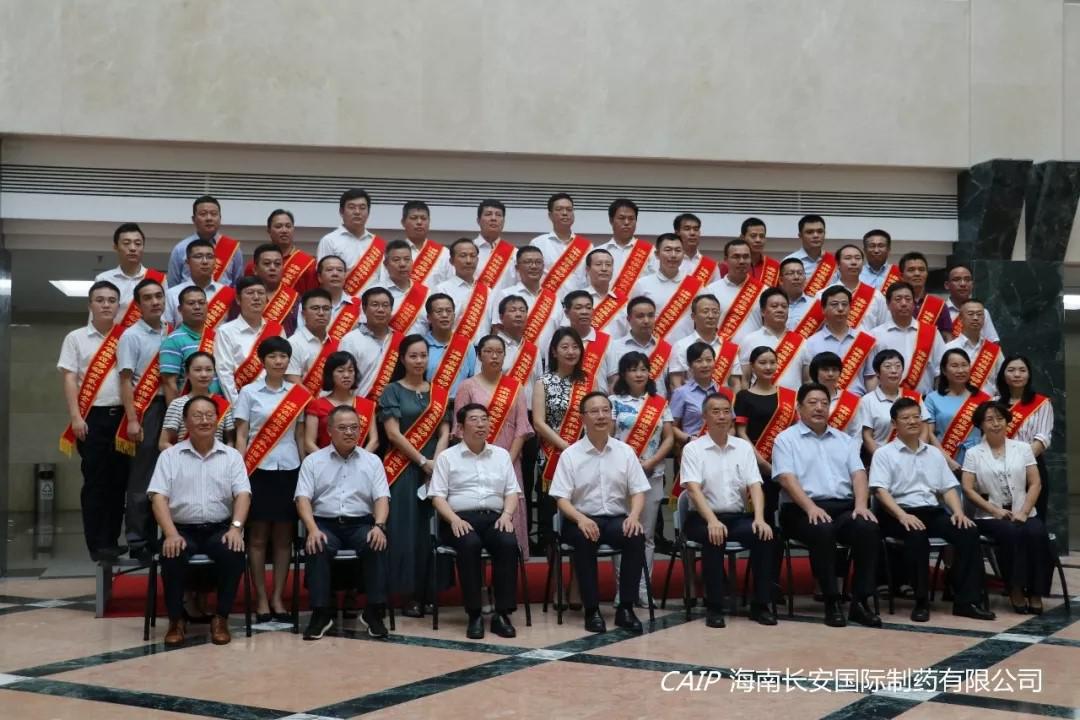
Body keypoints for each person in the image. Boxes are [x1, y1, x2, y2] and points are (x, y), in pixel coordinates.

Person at [869, 397, 995, 621]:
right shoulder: (884, 454)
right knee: (917, 535)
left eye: (916, 417)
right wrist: (902, 515)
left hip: (931, 510)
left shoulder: (934, 453)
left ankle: (966, 601)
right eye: (906, 418)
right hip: (896, 513)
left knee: (968, 531)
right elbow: (880, 491)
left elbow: (948, 488)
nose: (912, 422)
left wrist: (958, 512)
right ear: (894, 424)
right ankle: (921, 601)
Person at [773, 382, 881, 628]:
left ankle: (860, 602)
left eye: (824, 403)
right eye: (812, 403)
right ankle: (832, 601)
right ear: (799, 408)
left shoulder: (844, 440)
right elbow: (786, 479)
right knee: (822, 529)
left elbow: (859, 474)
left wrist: (861, 505)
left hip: (842, 507)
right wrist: (810, 507)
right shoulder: (786, 440)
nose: (819, 408)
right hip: (800, 510)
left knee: (867, 528)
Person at [148, 395, 249, 646]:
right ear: (185, 422)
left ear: (217, 419)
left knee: (233, 551)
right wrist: (170, 533)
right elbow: (158, 497)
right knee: (172, 554)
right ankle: (176, 620)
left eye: (209, 415)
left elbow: (243, 494)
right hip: (181, 529)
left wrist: (236, 528)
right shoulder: (170, 456)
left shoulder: (231, 456)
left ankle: (221, 618)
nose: (204, 420)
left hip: (219, 528)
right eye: (197, 415)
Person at [549, 392, 650, 633]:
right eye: (594, 411)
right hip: (580, 519)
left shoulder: (625, 452)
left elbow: (638, 491)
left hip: (616, 518)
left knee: (635, 536)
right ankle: (592, 610)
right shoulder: (570, 455)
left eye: (606, 410)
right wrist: (580, 519)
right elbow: (561, 498)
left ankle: (625, 608)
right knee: (585, 539)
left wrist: (634, 516)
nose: (601, 416)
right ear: (583, 418)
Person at [682, 391, 778, 627]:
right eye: (715, 411)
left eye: (726, 411)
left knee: (765, 535)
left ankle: (761, 604)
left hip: (736, 517)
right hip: (701, 518)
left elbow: (755, 485)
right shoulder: (693, 449)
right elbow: (692, 489)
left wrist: (759, 518)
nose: (722, 416)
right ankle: (714, 606)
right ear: (705, 417)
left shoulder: (743, 448)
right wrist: (712, 521)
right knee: (713, 536)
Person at [295, 404, 391, 640]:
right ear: (329, 430)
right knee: (317, 545)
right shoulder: (313, 461)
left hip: (360, 524)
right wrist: (312, 529)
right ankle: (321, 613)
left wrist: (379, 526)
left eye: (354, 427)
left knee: (375, 542)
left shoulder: (372, 461)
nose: (349, 432)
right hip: (325, 524)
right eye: (343, 428)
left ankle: (374, 611)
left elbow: (381, 498)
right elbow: (302, 499)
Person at [234, 337, 309, 622]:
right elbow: (242, 435)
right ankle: (261, 599)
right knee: (257, 537)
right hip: (258, 469)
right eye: (273, 356)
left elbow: (300, 436)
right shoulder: (249, 392)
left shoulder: (298, 394)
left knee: (283, 538)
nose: (279, 361)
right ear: (262, 361)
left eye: (283, 356)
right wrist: (240, 471)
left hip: (289, 469)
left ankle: (278, 597)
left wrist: (305, 472)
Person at [431, 403, 522, 639]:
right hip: (459, 518)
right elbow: (437, 497)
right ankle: (474, 614)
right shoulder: (447, 457)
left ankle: (502, 614)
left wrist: (507, 515)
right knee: (469, 544)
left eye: (484, 419)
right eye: (474, 419)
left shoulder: (501, 455)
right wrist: (453, 519)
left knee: (508, 543)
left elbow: (512, 492)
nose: (481, 424)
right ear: (461, 428)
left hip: (494, 517)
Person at [378, 334, 452, 617]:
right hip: (403, 467)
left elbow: (444, 430)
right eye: (413, 356)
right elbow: (393, 434)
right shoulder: (392, 391)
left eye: (423, 355)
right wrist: (422, 461)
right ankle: (407, 593)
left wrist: (436, 463)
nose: (419, 361)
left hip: (435, 468)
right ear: (402, 359)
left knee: (431, 529)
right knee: (406, 530)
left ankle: (431, 591)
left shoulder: (438, 392)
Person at [58, 281, 130, 561]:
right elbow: (69, 378)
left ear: (118, 305)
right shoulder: (75, 338)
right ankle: (97, 544)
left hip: (122, 418)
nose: (106, 305)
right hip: (92, 418)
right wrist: (75, 417)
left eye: (111, 300)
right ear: (90, 305)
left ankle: (111, 540)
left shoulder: (126, 336)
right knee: (96, 482)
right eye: (100, 300)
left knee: (119, 482)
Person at [962, 400, 1053, 614]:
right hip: (990, 515)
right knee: (1011, 534)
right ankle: (1015, 589)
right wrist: (995, 511)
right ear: (981, 424)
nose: (996, 424)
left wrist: (1024, 512)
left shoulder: (1022, 449)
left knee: (1037, 533)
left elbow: (1035, 483)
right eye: (989, 420)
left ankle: (1036, 592)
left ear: (1007, 421)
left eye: (1000, 419)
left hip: (1024, 511)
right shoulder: (973, 453)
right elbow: (968, 488)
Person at [453, 335, 532, 559]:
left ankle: (511, 564)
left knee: (510, 504)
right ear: (479, 355)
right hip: (474, 459)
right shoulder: (467, 386)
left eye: (499, 352)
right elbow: (460, 427)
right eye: (489, 351)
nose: (494, 356)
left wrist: (507, 460)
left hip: (510, 457)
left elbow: (522, 427)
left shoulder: (515, 386)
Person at [609, 351, 674, 606]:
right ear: (623, 374)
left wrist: (652, 462)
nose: (639, 374)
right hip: (621, 475)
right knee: (622, 532)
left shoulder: (659, 403)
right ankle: (622, 589)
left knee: (646, 535)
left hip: (651, 474)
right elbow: (609, 437)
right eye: (633, 369)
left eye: (643, 369)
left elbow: (669, 438)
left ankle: (644, 589)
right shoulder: (613, 401)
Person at [117, 278, 169, 555]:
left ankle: (162, 534)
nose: (155, 302)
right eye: (147, 298)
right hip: (146, 408)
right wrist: (133, 419)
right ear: (138, 305)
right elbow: (125, 380)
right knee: (142, 476)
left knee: (168, 472)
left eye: (158, 296)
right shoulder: (131, 336)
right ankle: (138, 539)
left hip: (171, 405)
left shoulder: (171, 330)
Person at [532, 327, 594, 544]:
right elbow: (538, 423)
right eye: (565, 347)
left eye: (575, 347)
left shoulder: (588, 381)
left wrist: (580, 448)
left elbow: (596, 417)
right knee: (552, 508)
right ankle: (553, 557)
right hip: (552, 455)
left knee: (583, 505)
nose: (571, 352)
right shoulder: (543, 382)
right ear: (554, 351)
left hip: (586, 455)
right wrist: (567, 447)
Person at [734, 346, 798, 524]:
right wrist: (762, 462)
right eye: (762, 363)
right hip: (754, 460)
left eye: (772, 362)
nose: (768, 367)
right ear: (752, 366)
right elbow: (741, 432)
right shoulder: (743, 396)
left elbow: (794, 429)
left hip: (785, 459)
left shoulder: (787, 396)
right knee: (764, 510)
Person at [996, 355, 1053, 520]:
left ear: (1029, 375)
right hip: (998, 467)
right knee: (1004, 518)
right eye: (1011, 370)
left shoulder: (1041, 403)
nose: (1017, 374)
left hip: (1031, 466)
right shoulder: (993, 403)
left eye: (1022, 370)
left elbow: (1042, 438)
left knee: (1034, 519)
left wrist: (1018, 462)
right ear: (1003, 375)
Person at [214, 277, 284, 403]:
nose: (256, 297)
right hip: (243, 402)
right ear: (238, 299)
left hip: (275, 402)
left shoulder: (277, 330)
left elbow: (285, 368)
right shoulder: (226, 331)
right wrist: (238, 406)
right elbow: (224, 373)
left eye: (261, 293)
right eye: (250, 293)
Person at [870, 281, 946, 395]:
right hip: (888, 399)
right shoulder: (875, 335)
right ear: (888, 304)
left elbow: (940, 370)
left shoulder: (932, 333)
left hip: (924, 400)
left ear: (914, 303)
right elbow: (872, 374)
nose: (904, 303)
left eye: (908, 299)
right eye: (898, 299)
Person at [924, 349, 990, 473]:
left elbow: (989, 430)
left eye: (964, 365)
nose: (960, 370)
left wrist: (979, 456)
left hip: (978, 458)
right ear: (944, 370)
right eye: (954, 366)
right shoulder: (932, 398)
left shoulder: (983, 398)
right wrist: (948, 461)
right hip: (943, 458)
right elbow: (929, 433)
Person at [805, 285, 877, 396]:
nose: (840, 308)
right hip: (824, 401)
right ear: (823, 309)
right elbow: (810, 379)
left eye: (844, 304)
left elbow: (870, 377)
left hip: (857, 401)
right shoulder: (811, 343)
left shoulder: (864, 340)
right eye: (834, 304)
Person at [857, 349, 927, 460]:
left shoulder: (914, 397)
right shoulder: (867, 400)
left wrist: (917, 454)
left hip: (914, 457)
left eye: (898, 366)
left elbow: (924, 429)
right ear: (877, 372)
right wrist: (883, 459)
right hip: (883, 459)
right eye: (888, 366)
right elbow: (867, 436)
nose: (894, 371)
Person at [303, 351, 378, 454]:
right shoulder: (316, 405)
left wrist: (359, 459)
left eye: (350, 370)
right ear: (330, 374)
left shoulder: (368, 405)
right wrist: (328, 460)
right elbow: (309, 443)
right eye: (340, 371)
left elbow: (374, 441)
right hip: (325, 461)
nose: (346, 375)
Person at [159, 352, 235, 450]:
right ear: (187, 374)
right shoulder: (177, 404)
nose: (204, 374)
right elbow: (163, 443)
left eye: (209, 370)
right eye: (198, 370)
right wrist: (180, 456)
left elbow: (230, 441)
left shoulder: (223, 404)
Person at [316, 188, 385, 296]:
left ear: (368, 212)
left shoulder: (378, 244)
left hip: (373, 304)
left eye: (362, 208)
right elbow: (324, 278)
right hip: (342, 304)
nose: (357, 212)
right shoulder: (329, 241)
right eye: (352, 207)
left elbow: (383, 279)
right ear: (341, 212)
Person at [739, 288, 810, 391]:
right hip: (759, 399)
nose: (780, 310)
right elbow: (745, 379)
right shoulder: (750, 340)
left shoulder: (801, 342)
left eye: (784, 306)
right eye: (774, 306)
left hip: (792, 400)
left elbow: (807, 381)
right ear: (763, 311)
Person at [167, 195, 244, 288]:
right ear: (193, 219)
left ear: (220, 218)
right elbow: (173, 286)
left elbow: (238, 285)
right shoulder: (180, 249)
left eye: (214, 214)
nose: (209, 218)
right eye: (203, 214)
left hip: (222, 297)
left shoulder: (233, 248)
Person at [702, 238, 765, 344]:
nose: (741, 261)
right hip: (722, 351)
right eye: (736, 257)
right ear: (726, 260)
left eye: (746, 257)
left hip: (755, 351)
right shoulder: (710, 291)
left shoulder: (763, 291)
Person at [603, 296, 668, 398]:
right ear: (629, 319)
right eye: (640, 316)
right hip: (624, 406)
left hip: (657, 406)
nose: (646, 321)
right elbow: (613, 383)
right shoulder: (614, 347)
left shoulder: (665, 348)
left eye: (650, 316)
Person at [95, 222, 164, 317]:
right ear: (115, 247)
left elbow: (165, 317)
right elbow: (96, 318)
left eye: (138, 244)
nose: (132, 248)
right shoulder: (104, 279)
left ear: (143, 247)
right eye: (126, 243)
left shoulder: (158, 279)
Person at [630, 233, 691, 341]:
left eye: (678, 250)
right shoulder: (643, 284)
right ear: (657, 254)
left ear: (683, 254)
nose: (673, 255)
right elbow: (632, 319)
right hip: (653, 347)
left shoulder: (694, 286)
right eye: (668, 250)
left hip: (686, 348)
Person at [340, 287, 397, 398]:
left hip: (392, 406)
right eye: (375, 305)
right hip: (358, 405)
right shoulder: (351, 340)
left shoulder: (399, 341)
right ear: (364, 308)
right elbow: (342, 379)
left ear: (391, 309)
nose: (380, 310)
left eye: (385, 305)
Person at [243, 209, 317, 295]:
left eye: (288, 226)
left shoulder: (308, 264)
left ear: (293, 229)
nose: (284, 230)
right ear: (269, 230)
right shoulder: (253, 265)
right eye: (278, 226)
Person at [159, 287, 212, 404]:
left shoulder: (217, 336)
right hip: (191, 409)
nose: (197, 307)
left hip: (219, 406)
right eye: (191, 303)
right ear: (180, 309)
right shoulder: (173, 340)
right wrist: (177, 412)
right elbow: (169, 383)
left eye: (201, 303)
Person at [529, 192, 590, 292]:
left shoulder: (587, 246)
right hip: (547, 300)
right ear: (550, 215)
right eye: (559, 209)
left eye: (569, 209)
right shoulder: (538, 244)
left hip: (578, 300)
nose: (565, 213)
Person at [434, 238, 491, 343]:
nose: (468, 261)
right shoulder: (441, 290)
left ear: (477, 260)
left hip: (484, 349)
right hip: (454, 348)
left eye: (472, 256)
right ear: (451, 261)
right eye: (463, 256)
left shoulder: (488, 292)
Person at [820, 244, 888, 331]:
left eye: (858, 258)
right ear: (838, 264)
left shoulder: (876, 296)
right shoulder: (822, 294)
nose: (854, 262)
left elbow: (883, 328)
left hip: (866, 340)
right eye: (848, 258)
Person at [424, 293, 478, 402]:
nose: (444, 315)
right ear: (429, 318)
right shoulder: (421, 344)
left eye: (448, 311)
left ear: (454, 315)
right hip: (429, 406)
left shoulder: (467, 345)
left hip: (460, 406)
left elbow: (474, 380)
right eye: (439, 311)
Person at [943, 298, 1002, 396]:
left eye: (979, 314)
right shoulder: (948, 348)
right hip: (958, 403)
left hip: (989, 402)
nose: (975, 318)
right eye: (970, 314)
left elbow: (1002, 380)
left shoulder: (994, 350)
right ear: (960, 318)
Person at [163, 238, 228, 328]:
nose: (205, 261)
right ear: (187, 262)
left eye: (209, 257)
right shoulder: (172, 294)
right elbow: (166, 330)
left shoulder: (227, 294)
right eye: (198, 256)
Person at [668, 294, 726, 389]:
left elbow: (735, 383)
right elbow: (676, 383)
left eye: (715, 312)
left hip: (723, 398)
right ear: (693, 316)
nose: (711, 316)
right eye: (705, 311)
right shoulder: (681, 346)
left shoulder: (728, 347)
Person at [670, 342, 722, 444]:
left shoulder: (722, 392)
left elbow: (731, 427)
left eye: (709, 360)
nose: (705, 365)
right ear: (690, 365)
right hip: (693, 446)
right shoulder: (681, 393)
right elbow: (672, 427)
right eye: (699, 361)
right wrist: (690, 439)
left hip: (721, 446)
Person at [284, 289, 334, 393]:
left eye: (326, 309)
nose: (321, 313)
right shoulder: (293, 343)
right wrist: (316, 402)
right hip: (306, 401)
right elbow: (293, 381)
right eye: (315, 308)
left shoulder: (337, 343)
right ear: (303, 314)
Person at [597, 198, 656, 285]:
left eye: (631, 218)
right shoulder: (597, 252)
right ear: (611, 221)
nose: (627, 222)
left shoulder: (650, 252)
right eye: (621, 218)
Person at [376, 239, 429, 336]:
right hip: (387, 345)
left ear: (412, 262)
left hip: (421, 345)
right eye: (396, 260)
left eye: (407, 259)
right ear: (386, 264)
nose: (402, 264)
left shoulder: (426, 293)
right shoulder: (374, 293)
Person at [396, 200, 452, 289]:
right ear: (403, 222)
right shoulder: (393, 253)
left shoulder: (444, 254)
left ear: (429, 222)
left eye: (423, 218)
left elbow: (450, 286)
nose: (419, 222)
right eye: (414, 218)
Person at [576, 249, 629, 338]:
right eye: (598, 264)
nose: (604, 269)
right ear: (587, 269)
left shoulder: (623, 302)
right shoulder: (577, 299)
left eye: (608, 265)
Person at [940, 263, 999, 341]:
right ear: (947, 285)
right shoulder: (939, 311)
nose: (963, 284)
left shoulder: (982, 312)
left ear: (972, 284)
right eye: (957, 279)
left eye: (967, 280)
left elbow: (993, 342)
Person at [808, 351, 861, 437]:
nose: (830, 374)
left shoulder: (851, 400)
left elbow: (857, 434)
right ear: (815, 372)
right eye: (825, 370)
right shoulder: (803, 398)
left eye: (834, 370)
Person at [473, 199, 518, 293]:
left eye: (498, 215)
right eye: (488, 214)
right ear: (478, 221)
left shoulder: (515, 254)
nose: (493, 218)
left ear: (503, 221)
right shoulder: (466, 251)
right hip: (475, 302)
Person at [784, 214, 836, 296]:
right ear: (800, 236)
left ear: (824, 234)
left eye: (820, 231)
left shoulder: (835, 261)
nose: (816, 235)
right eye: (810, 232)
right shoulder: (788, 261)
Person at [314, 255, 363, 338]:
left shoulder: (359, 305)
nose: (335, 274)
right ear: (319, 277)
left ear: (345, 276)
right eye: (329, 270)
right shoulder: (307, 304)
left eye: (340, 270)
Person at [726, 217, 780, 285]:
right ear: (742, 238)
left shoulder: (774, 266)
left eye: (761, 236)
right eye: (753, 236)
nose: (758, 240)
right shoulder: (728, 265)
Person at [898, 252, 945, 327]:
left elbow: (946, 334)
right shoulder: (893, 304)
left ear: (927, 274)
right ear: (901, 276)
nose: (917, 273)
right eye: (911, 270)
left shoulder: (939, 305)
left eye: (921, 269)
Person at [676, 212, 718, 283]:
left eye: (696, 229)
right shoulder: (669, 261)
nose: (692, 233)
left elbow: (716, 289)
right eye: (687, 229)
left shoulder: (710, 266)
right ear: (677, 232)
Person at [779, 257, 817, 332]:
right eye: (791, 273)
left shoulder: (815, 305)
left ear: (805, 278)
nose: (796, 277)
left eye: (800, 273)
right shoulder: (773, 306)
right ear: (781, 280)